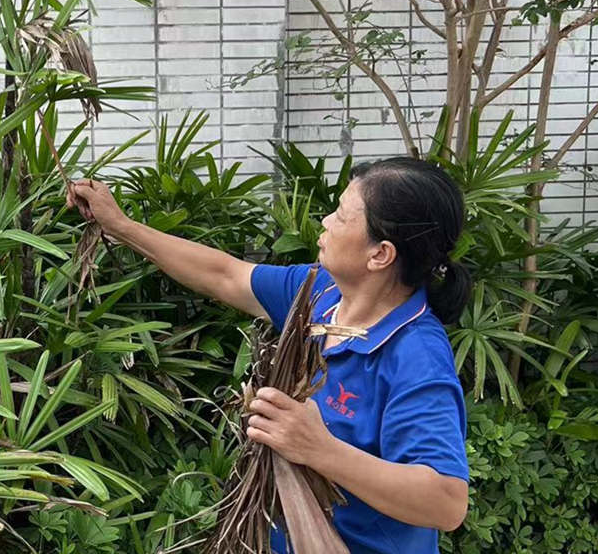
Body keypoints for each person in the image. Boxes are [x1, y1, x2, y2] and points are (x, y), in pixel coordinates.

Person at [66, 157, 471, 554]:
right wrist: (120, 226)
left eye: (343, 216)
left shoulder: (415, 354)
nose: (326, 221)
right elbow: (224, 274)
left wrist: (320, 449)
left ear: (380, 255)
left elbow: (446, 502)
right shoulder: (321, 294)